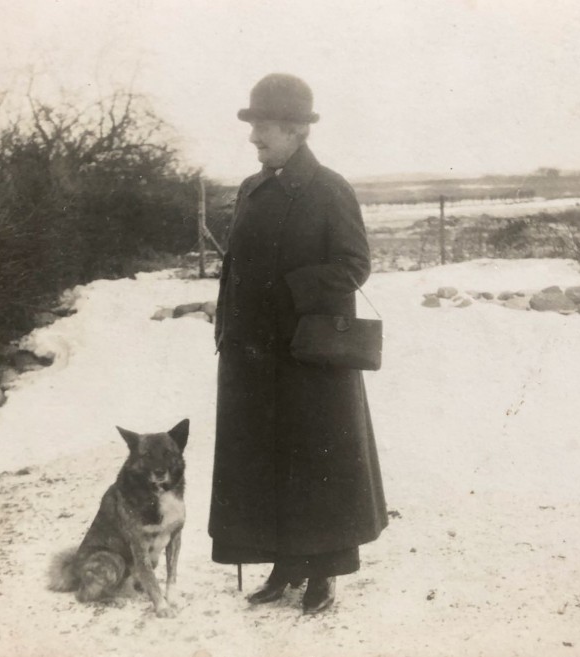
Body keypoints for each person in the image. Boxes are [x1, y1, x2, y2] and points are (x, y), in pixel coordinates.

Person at [209, 73, 388, 615]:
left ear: (294, 130)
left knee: (317, 463)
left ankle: (324, 573)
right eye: (253, 127)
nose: (253, 138)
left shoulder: (329, 188)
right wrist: (228, 323)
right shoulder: (251, 187)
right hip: (253, 355)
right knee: (266, 461)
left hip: (308, 355)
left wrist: (288, 291)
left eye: (262, 127)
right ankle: (284, 566)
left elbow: (355, 265)